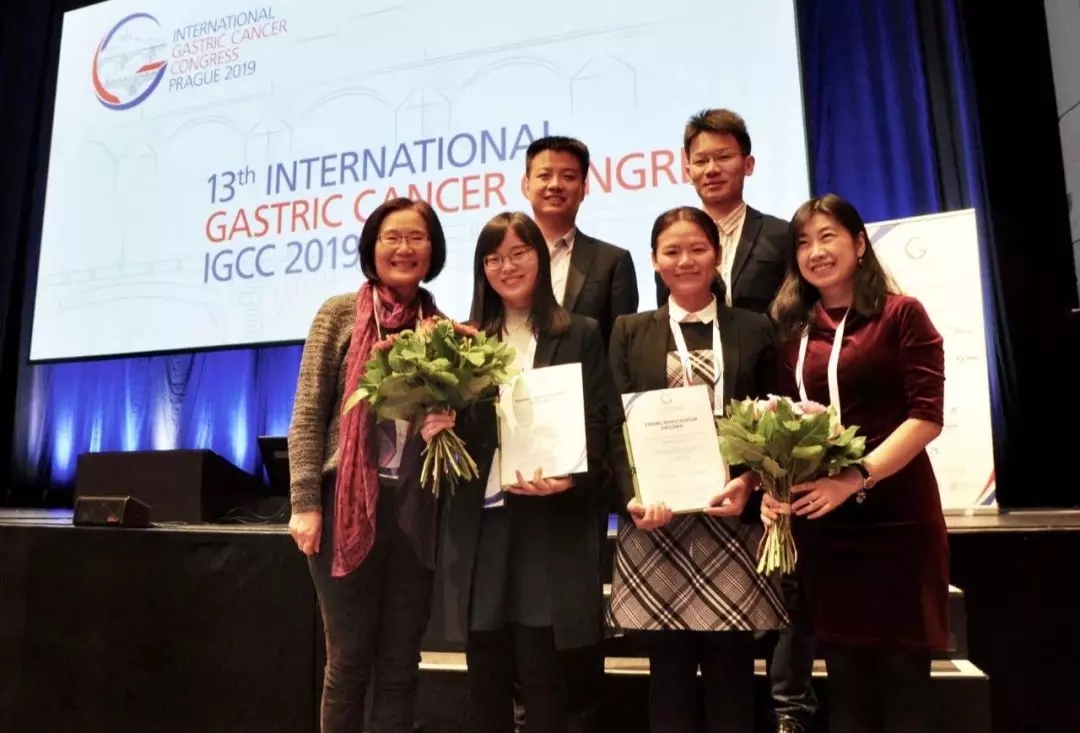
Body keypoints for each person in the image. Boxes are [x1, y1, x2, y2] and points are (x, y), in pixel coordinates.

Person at [765, 193, 949, 733]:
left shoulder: (901, 314)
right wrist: (776, 486)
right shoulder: (795, 330)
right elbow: (786, 422)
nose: (816, 252)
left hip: (897, 522)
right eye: (803, 242)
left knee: (905, 687)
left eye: (828, 237)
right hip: (827, 527)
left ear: (860, 244)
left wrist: (855, 477)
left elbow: (926, 417)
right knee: (846, 689)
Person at [657, 107, 815, 733]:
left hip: (770, 419)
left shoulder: (781, 236)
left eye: (724, 156)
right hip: (692, 444)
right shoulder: (678, 238)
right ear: (686, 168)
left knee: (783, 574)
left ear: (747, 163)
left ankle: (789, 706)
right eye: (700, 159)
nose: (712, 168)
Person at [427, 211, 612, 733]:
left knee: (544, 673)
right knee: (485, 672)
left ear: (540, 259)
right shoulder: (462, 342)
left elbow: (599, 421)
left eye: (518, 254)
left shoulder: (579, 332)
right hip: (483, 523)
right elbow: (455, 431)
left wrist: (573, 477)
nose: (506, 267)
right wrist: (436, 426)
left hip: (548, 523)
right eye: (493, 259)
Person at [607, 206, 788, 733]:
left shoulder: (755, 327)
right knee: (669, 672)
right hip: (657, 520)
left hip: (732, 517)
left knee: (733, 668)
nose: (685, 260)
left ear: (717, 255)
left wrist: (751, 482)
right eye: (672, 251)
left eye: (697, 249)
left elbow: (775, 418)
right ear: (654, 260)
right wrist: (633, 495)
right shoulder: (629, 330)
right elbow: (614, 425)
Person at [286, 197, 450, 733]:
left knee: (401, 664)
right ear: (372, 247)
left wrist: (448, 421)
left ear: (433, 250)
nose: (404, 248)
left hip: (414, 510)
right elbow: (308, 412)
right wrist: (305, 503)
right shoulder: (338, 314)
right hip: (344, 507)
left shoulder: (442, 329)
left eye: (416, 238)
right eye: (391, 237)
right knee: (349, 661)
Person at [522, 135, 639, 731]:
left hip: (580, 463)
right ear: (525, 184)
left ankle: (583, 717)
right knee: (522, 606)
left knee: (576, 606)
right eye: (544, 174)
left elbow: (619, 362)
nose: (555, 185)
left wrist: (597, 458)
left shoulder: (611, 261)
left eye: (568, 175)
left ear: (585, 186)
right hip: (518, 465)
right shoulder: (505, 256)